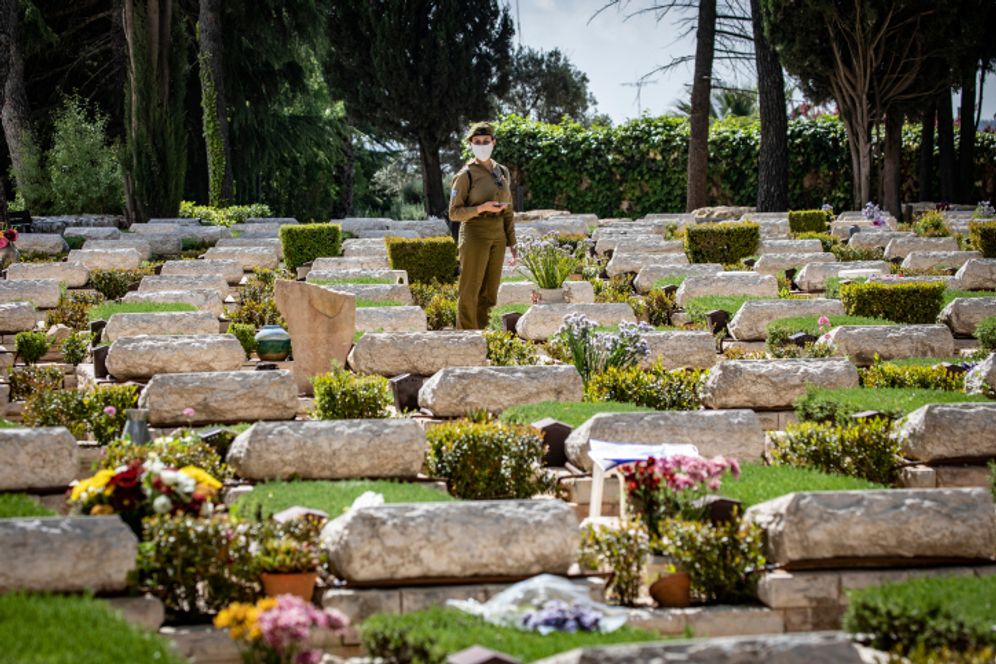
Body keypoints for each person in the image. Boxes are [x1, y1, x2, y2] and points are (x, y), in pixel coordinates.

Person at [448, 122, 518, 330]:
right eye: (477, 142)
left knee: (490, 291)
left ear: (493, 142)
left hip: (498, 234)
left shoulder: (502, 171)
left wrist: (512, 242)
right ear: (471, 144)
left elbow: (508, 209)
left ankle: (482, 334)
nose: (482, 145)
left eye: (485, 141)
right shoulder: (465, 175)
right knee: (470, 290)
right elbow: (454, 213)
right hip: (474, 233)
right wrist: (480, 208)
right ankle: (467, 337)